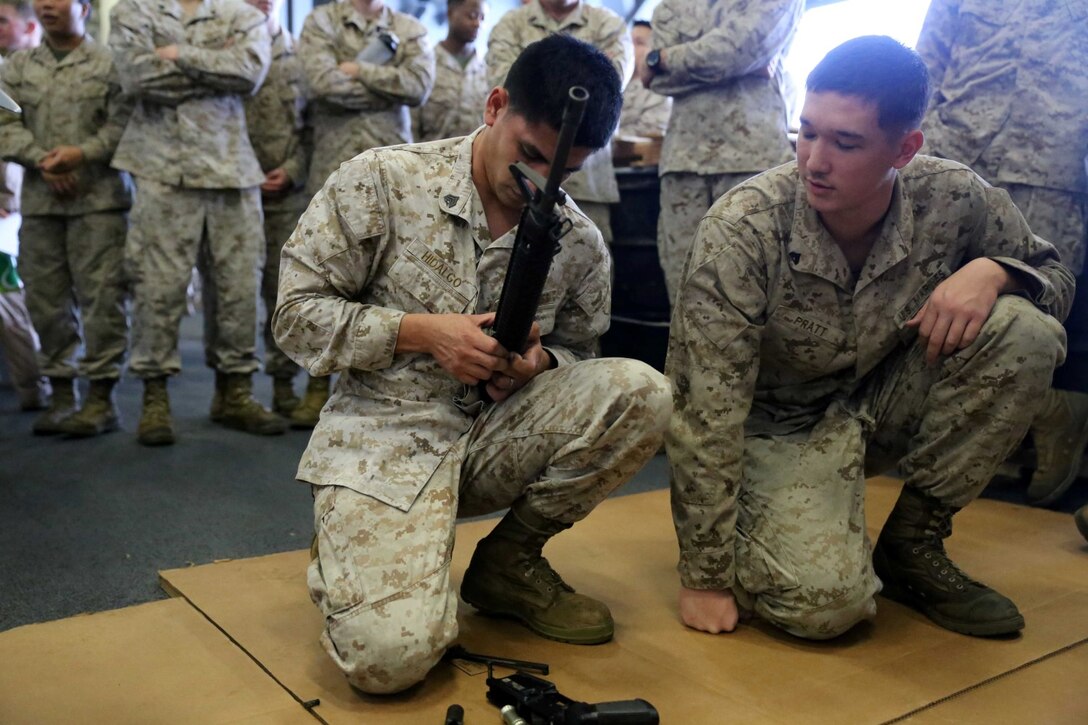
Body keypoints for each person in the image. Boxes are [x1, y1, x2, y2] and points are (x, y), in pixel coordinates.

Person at [273, 34, 670, 695]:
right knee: (388, 660)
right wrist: (421, 334)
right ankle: (362, 552)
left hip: (495, 432)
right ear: (494, 106)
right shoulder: (383, 180)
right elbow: (294, 315)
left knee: (643, 392)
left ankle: (508, 564)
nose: (542, 186)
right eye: (531, 158)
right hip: (383, 436)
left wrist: (540, 363)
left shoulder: (579, 243)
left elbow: (582, 355)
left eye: (565, 173)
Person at [667, 36, 1075, 641]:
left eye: (846, 142)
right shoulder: (745, 228)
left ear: (905, 148)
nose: (814, 160)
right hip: (774, 430)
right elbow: (705, 410)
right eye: (806, 132)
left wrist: (996, 272)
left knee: (1025, 330)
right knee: (824, 609)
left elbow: (1056, 276)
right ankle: (798, 525)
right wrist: (704, 576)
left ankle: (914, 542)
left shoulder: (954, 196)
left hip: (884, 401)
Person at [916, 0, 1088, 508]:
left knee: (1037, 303)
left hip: (1050, 162)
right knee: (939, 303)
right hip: (959, 154)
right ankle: (961, 447)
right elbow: (925, 62)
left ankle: (1042, 423)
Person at [110, 0, 284, 445]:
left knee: (238, 285)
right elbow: (135, 76)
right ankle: (154, 398)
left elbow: (248, 73)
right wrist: (214, 66)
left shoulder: (241, 13)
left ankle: (235, 392)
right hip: (161, 168)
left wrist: (176, 53)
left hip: (232, 167)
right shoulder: (136, 10)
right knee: (158, 286)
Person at [295, 0, 435, 425]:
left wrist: (356, 70)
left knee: (391, 279)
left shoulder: (409, 28)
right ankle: (316, 384)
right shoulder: (321, 21)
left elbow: (418, 86)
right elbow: (320, 83)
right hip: (332, 169)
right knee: (325, 278)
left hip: (394, 173)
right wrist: (383, 84)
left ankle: (382, 386)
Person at [0, 0, 132, 436]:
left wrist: (80, 154)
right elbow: (4, 123)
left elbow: (125, 124)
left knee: (102, 299)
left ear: (84, 8)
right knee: (45, 299)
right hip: (40, 201)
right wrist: (43, 159)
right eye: (41, 0)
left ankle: (100, 399)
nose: (47, 6)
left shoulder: (111, 63)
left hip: (99, 201)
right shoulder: (18, 66)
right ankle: (60, 394)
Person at [642, 0, 801, 303]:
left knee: (760, 289)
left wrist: (664, 59)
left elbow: (742, 47)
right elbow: (656, 80)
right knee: (685, 293)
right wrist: (742, 65)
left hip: (753, 163)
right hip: (683, 166)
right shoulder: (670, 5)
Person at [200, 0, 311, 424]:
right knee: (228, 289)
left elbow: (313, 127)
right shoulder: (222, 51)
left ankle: (284, 386)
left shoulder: (300, 54)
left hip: (286, 192)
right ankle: (227, 389)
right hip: (229, 187)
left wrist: (294, 170)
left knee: (285, 291)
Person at [486, 0, 632, 245]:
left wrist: (545, 82)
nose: (543, 177)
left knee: (582, 265)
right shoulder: (511, 24)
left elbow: (604, 98)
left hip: (586, 184)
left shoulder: (610, 25)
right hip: (512, 180)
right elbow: (511, 86)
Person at [411, 0, 488, 144]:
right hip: (430, 161)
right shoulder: (425, 64)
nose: (478, 23)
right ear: (450, 13)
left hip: (473, 161)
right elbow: (410, 125)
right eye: (472, 16)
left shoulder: (487, 71)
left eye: (482, 18)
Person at [617, 20, 669, 140]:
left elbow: (647, 134)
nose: (630, 47)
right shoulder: (613, 83)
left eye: (639, 43)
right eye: (628, 41)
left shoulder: (659, 91)